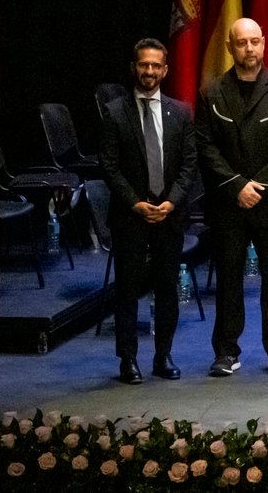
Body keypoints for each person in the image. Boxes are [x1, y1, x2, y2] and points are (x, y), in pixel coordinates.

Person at [195, 18, 268, 377]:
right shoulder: (211, 93)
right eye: (242, 43)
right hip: (228, 203)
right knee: (228, 280)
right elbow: (206, 148)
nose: (250, 49)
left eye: (255, 42)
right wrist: (236, 186)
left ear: (264, 43)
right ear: (230, 47)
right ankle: (226, 351)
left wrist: (257, 186)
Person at [99, 38, 196, 384]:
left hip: (169, 216)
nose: (150, 71)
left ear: (165, 70)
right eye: (144, 65)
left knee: (167, 287)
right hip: (131, 216)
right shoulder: (114, 112)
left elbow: (189, 165)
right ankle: (128, 359)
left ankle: (163, 356)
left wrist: (171, 202)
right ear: (134, 68)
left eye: (156, 66)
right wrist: (135, 203)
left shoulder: (180, 112)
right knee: (127, 289)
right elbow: (109, 167)